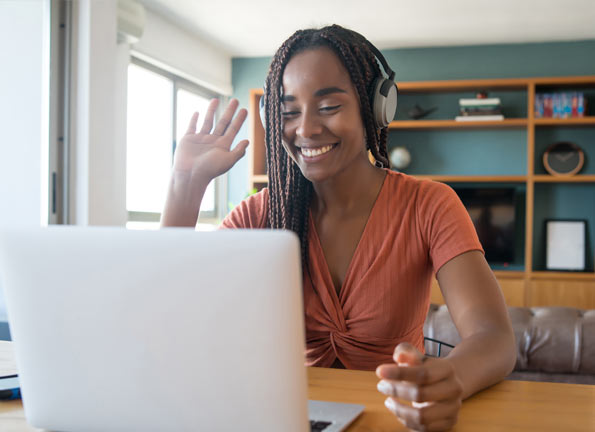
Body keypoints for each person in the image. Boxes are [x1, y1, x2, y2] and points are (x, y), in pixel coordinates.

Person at [161, 24, 516, 432]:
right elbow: (169, 312)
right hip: (295, 417)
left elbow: (493, 336)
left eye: (328, 106)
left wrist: (451, 378)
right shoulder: (261, 215)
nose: (306, 129)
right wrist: (185, 184)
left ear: (375, 109)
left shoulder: (428, 205)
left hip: (393, 418)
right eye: (289, 111)